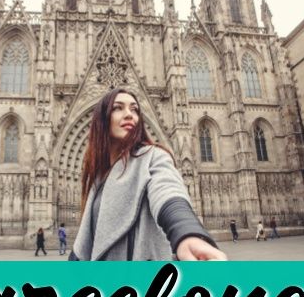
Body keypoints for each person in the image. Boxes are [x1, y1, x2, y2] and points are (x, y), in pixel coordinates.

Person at [69, 89, 227, 261]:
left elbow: (167, 191)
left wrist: (186, 232)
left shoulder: (152, 156)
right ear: (102, 119)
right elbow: (86, 241)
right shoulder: (99, 177)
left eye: (135, 109)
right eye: (118, 108)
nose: (129, 114)